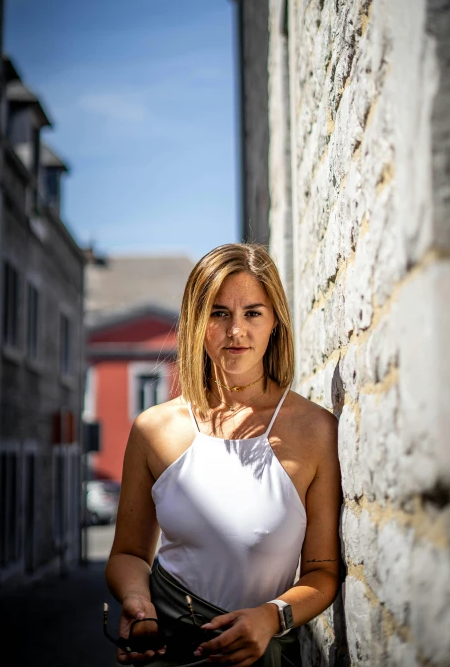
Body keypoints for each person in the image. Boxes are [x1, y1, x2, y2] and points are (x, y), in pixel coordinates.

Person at [105, 243, 342, 667]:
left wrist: (272, 617)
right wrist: (139, 603)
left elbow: (323, 573)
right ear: (196, 323)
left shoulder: (315, 430)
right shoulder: (153, 430)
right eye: (219, 313)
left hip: (263, 655)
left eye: (253, 312)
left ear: (275, 323)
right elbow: (128, 555)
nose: (236, 331)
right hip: (166, 647)